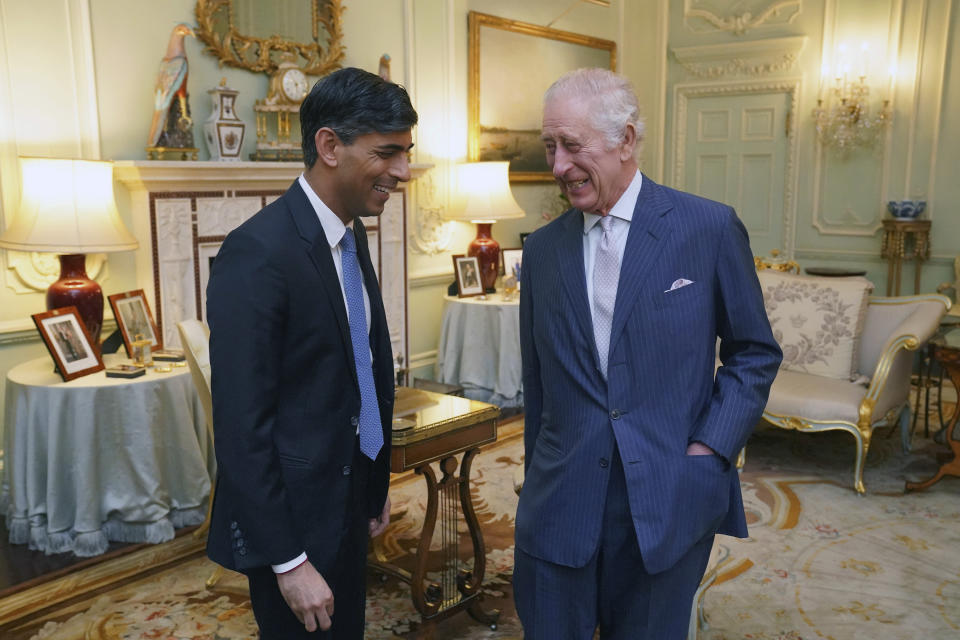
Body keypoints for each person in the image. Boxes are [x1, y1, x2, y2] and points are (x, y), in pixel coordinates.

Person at [514, 68, 782, 639]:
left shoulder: (706, 228)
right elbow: (537, 383)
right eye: (549, 146)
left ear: (626, 140)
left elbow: (754, 352)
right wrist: (538, 478)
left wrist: (709, 451)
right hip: (560, 502)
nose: (558, 166)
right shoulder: (541, 252)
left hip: (669, 492)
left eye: (572, 146)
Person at [205, 67, 417, 639]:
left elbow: (359, 370)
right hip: (291, 524)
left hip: (345, 498)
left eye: (407, 152)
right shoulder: (256, 254)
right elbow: (241, 430)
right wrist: (288, 561)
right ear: (329, 146)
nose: (403, 170)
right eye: (388, 153)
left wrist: (371, 489)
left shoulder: (351, 232)